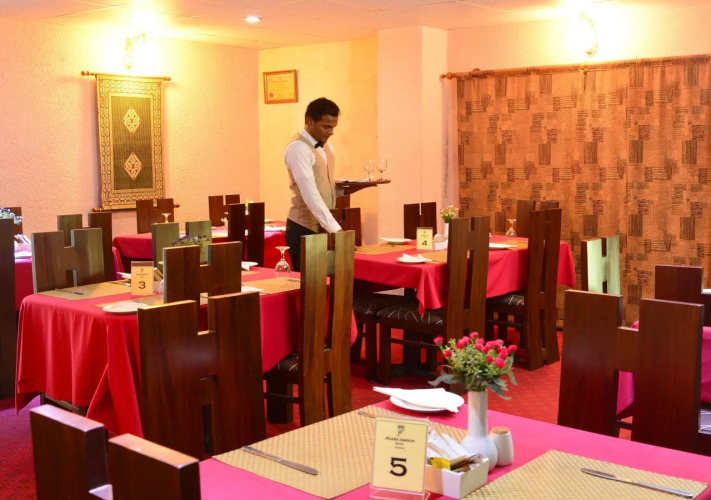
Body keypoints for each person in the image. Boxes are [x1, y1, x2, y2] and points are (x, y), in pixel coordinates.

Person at [284, 97, 342, 271]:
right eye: (326, 126)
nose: (331, 132)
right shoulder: (298, 148)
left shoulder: (329, 147)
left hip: (324, 227)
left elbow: (324, 185)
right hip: (303, 228)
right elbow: (310, 194)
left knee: (326, 282)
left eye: (333, 127)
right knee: (308, 284)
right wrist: (335, 230)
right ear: (309, 121)